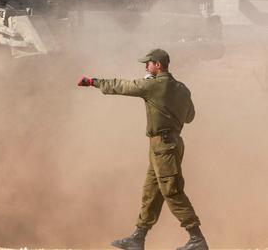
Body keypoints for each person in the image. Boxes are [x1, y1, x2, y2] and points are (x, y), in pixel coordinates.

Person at [77, 48, 207, 250]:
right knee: (151, 191)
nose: (146, 66)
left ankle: (197, 238)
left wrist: (93, 81)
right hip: (168, 144)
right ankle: (138, 237)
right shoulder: (181, 88)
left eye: (148, 63)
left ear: (158, 65)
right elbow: (190, 117)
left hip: (163, 146)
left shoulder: (153, 85)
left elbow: (122, 86)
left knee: (171, 191)